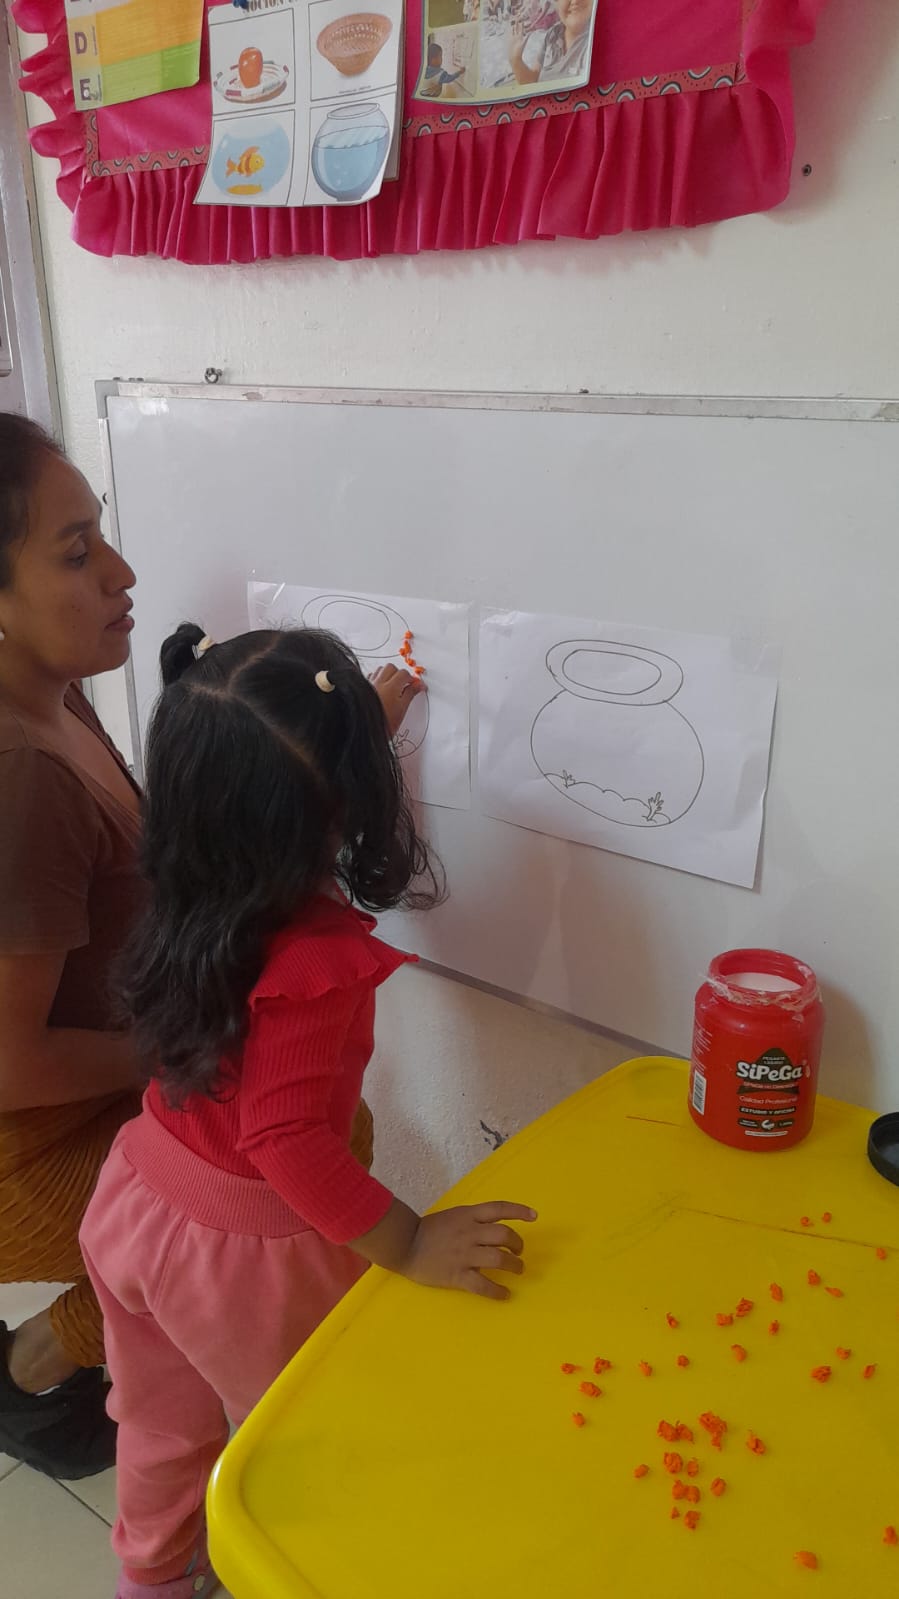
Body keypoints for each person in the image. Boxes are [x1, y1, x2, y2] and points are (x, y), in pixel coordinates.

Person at [81, 623, 537, 1599]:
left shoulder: (188, 878)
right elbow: (284, 1139)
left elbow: (272, 765)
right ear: (342, 804)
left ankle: (150, 1578)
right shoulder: (315, 960)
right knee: (303, 1432)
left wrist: (366, 724)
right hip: (241, 1257)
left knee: (160, 1422)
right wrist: (409, 1240)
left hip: (139, 1194)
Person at [0, 413, 143, 1479]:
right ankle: (34, 1367)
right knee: (280, 1160)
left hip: (89, 1083)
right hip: (25, 1142)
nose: (121, 573)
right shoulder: (24, 776)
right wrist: (185, 1050)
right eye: (77, 551)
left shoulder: (60, 696)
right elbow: (11, 1065)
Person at [509, 0, 592, 83]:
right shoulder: (552, 35)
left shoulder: (594, 42)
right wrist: (515, 59)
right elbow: (532, 81)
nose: (575, 1)